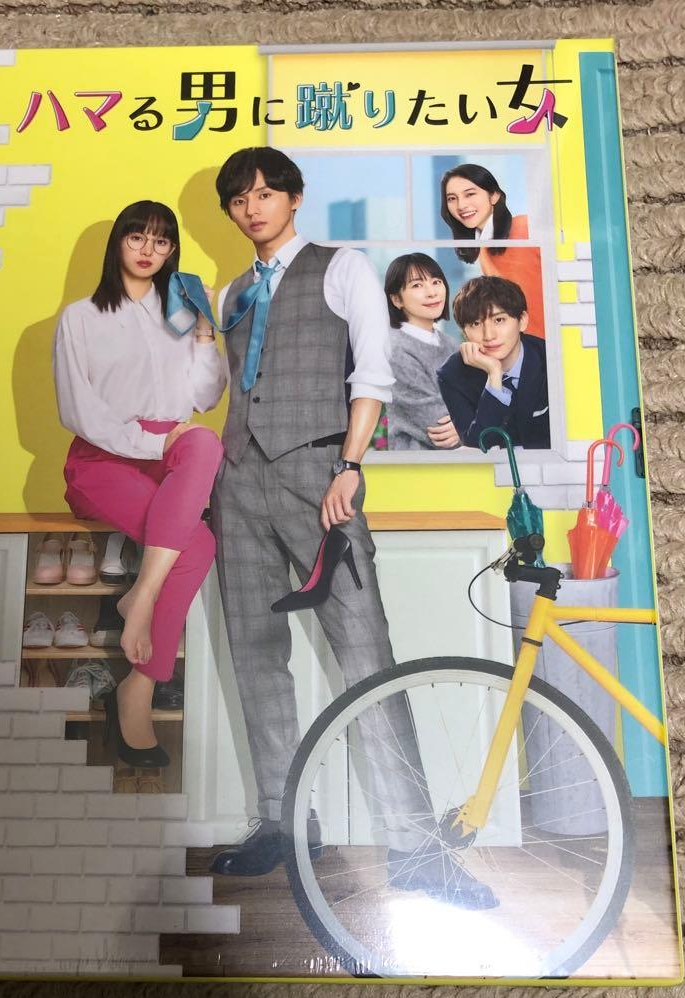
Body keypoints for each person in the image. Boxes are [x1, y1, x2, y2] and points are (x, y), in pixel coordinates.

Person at [206, 146, 495, 910]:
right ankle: (282, 822)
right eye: (238, 199)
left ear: (293, 197)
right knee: (254, 656)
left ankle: (414, 846)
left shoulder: (342, 268)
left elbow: (371, 371)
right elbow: (219, 387)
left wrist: (349, 464)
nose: (252, 208)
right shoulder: (230, 291)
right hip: (236, 481)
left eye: (265, 193)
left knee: (366, 656)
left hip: (319, 476)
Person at [53, 200, 226, 767]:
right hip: (102, 457)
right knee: (196, 543)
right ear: (118, 244)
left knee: (205, 441)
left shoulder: (180, 316)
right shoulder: (81, 317)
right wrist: (153, 443)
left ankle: (139, 654)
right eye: (137, 237)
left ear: (172, 250)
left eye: (162, 241)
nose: (150, 250)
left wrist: (205, 330)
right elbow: (79, 411)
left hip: (172, 455)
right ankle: (143, 629)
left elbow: (206, 398)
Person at [436, 275, 549, 450]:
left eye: (499, 320)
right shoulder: (452, 374)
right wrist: (494, 374)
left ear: (522, 321)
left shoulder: (550, 358)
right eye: (476, 323)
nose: (489, 335)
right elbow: (478, 444)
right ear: (464, 333)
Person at [440, 163, 545, 340]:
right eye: (452, 198)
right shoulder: (483, 250)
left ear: (494, 195)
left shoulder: (526, 227)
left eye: (470, 194)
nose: (461, 205)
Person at [384, 252, 461, 451]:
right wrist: (477, 423)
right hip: (418, 464)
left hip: (463, 464)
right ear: (396, 299)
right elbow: (437, 427)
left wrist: (467, 424)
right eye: (417, 285)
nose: (431, 292)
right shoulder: (396, 350)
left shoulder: (452, 345)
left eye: (436, 282)